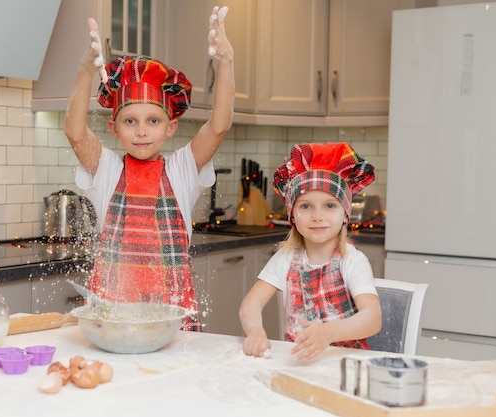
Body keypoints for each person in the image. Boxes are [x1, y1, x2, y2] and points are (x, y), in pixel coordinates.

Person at [63, 6, 234, 331]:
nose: (142, 131)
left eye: (153, 121)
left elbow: (218, 126)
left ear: (171, 127)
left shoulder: (182, 170)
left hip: (171, 315)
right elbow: (75, 132)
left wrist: (226, 62)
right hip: (111, 314)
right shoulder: (108, 170)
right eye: (131, 121)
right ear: (114, 128)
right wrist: (86, 69)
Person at [239, 143, 382, 360]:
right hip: (298, 361)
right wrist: (256, 332)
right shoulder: (286, 258)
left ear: (345, 214)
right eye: (306, 206)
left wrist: (330, 332)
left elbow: (373, 318)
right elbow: (251, 303)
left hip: (344, 363)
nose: (317, 216)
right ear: (293, 216)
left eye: (329, 206)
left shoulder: (352, 261)